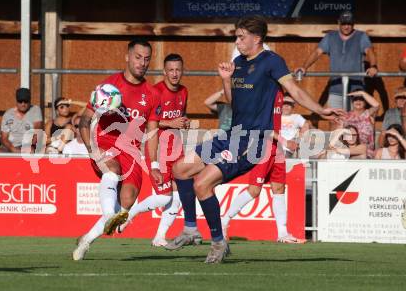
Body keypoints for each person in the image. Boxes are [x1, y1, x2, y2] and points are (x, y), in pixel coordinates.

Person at [167, 16, 344, 263]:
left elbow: (294, 89)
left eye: (241, 37)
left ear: (257, 38)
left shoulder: (272, 62)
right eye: (236, 37)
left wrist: (320, 109)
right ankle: (190, 228)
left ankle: (218, 242)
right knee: (180, 168)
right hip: (232, 134)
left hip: (253, 142)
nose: (237, 41)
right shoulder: (237, 62)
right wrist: (226, 80)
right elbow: (232, 101)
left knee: (202, 185)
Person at [72, 39, 163, 261]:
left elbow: (152, 134)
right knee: (111, 171)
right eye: (138, 57)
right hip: (105, 143)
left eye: (146, 58)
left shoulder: (152, 94)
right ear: (127, 57)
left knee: (127, 203)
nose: (142, 62)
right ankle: (108, 214)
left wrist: (155, 165)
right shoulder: (108, 87)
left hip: (131, 153)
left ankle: (86, 239)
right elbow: (84, 122)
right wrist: (93, 150)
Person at [116, 53, 190, 247]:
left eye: (178, 70)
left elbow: (179, 116)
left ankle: (159, 237)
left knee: (178, 196)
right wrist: (170, 122)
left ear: (182, 71)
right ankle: (130, 214)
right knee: (164, 196)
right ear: (164, 72)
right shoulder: (155, 92)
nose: (174, 74)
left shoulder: (183, 91)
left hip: (177, 148)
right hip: (158, 149)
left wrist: (183, 122)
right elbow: (149, 123)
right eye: (171, 70)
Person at [295, 11, 377, 110]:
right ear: (338, 23)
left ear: (353, 23)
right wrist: (304, 67)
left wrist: (373, 67)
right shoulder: (330, 36)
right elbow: (317, 52)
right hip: (335, 88)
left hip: (356, 89)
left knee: (355, 121)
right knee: (335, 121)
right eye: (343, 24)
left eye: (349, 24)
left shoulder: (361, 36)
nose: (346, 26)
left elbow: (370, 51)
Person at [0, 88, 43, 153]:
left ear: (30, 101)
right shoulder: (8, 114)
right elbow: (4, 138)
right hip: (10, 146)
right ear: (16, 101)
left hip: (28, 145)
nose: (23, 104)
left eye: (26, 101)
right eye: (20, 101)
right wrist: (12, 149)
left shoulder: (35, 110)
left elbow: (37, 131)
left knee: (31, 152)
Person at [340, 90, 379, 158]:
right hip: (349, 151)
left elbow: (376, 105)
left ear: (365, 102)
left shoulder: (368, 114)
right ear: (352, 102)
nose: (358, 101)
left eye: (361, 99)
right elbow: (340, 135)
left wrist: (362, 93)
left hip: (366, 153)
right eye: (355, 99)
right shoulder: (346, 116)